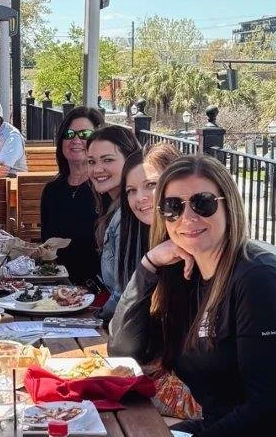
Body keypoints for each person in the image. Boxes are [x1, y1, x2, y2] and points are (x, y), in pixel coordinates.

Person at [109, 155, 276, 437]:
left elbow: (272, 409)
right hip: (224, 431)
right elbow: (126, 352)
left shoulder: (257, 279)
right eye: (173, 207)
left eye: (203, 203)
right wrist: (148, 267)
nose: (188, 217)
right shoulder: (183, 274)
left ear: (229, 206)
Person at [40, 106, 105, 283]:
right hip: (55, 286)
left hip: (97, 290)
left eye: (84, 135)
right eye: (69, 134)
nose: (76, 139)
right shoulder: (52, 191)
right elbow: (47, 246)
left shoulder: (105, 189)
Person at [87, 126, 141, 318]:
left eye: (107, 160)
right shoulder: (112, 208)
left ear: (131, 161)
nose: (97, 169)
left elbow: (127, 292)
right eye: (91, 162)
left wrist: (98, 318)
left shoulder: (130, 214)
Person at [116, 143, 181, 290]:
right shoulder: (135, 237)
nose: (140, 197)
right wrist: (150, 262)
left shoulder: (198, 243)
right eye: (131, 190)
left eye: (151, 184)